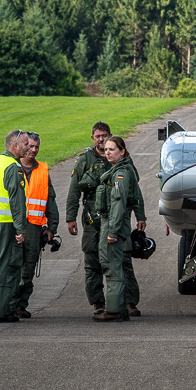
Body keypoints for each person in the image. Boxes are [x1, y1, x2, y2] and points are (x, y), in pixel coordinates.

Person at [93, 135, 147, 322]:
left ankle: (114, 310)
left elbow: (118, 203)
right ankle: (122, 307)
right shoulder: (123, 169)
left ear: (122, 152)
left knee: (111, 264)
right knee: (118, 264)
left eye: (112, 149)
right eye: (106, 149)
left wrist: (112, 231)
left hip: (114, 223)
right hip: (117, 222)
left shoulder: (120, 174)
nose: (107, 152)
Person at [0, 130, 30, 323]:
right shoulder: (13, 167)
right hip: (5, 224)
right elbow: (17, 202)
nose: (28, 147)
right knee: (5, 266)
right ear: (15, 145)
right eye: (25, 144)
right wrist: (21, 229)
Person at [65, 122, 113, 314]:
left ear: (110, 135)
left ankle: (123, 301)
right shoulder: (84, 160)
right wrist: (71, 217)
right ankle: (97, 301)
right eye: (98, 136)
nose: (101, 139)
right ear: (92, 138)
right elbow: (74, 191)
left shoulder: (118, 155)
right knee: (92, 259)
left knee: (118, 257)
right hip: (92, 217)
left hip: (114, 216)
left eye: (104, 135)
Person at [12, 132, 59, 319]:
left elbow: (50, 200)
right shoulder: (11, 167)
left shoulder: (43, 170)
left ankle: (20, 305)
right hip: (12, 225)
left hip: (34, 226)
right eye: (29, 146)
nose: (33, 150)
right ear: (21, 146)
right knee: (12, 265)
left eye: (36, 147)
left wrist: (52, 227)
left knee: (29, 267)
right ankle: (8, 304)